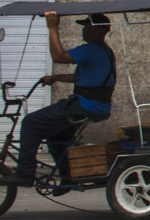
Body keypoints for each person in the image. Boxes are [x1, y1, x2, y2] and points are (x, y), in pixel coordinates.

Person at [2, 11, 115, 185]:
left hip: (85, 106)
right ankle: (67, 178)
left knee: (31, 123)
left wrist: (52, 28)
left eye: (86, 26)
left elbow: (58, 57)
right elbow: (83, 79)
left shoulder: (90, 50)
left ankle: (25, 174)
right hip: (96, 107)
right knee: (55, 136)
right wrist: (55, 78)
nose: (83, 30)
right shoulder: (104, 51)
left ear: (98, 30)